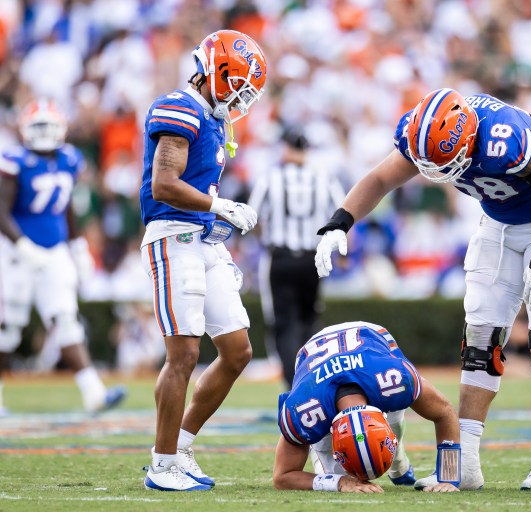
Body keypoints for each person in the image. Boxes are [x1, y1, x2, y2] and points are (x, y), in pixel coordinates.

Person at [315, 88, 531, 490]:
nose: (437, 173)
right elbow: (380, 177)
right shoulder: (421, 132)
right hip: (497, 223)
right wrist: (340, 221)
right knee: (480, 334)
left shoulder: (506, 137)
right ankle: (467, 461)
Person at [139, 29, 267, 492]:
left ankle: (183, 444)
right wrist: (221, 206)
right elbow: (164, 183)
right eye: (238, 86)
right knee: (184, 354)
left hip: (206, 242)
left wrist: (216, 219)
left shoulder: (213, 116)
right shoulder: (180, 105)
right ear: (218, 72)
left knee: (237, 351)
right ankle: (162, 463)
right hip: (173, 236)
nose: (239, 99)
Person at [0, 99, 126, 415]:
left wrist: (77, 245)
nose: (43, 133)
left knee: (66, 320)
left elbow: (66, 206)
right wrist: (23, 246)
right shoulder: (15, 161)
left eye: (48, 126)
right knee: (8, 326)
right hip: (14, 251)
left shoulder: (70, 159)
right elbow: (1, 211)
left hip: (54, 250)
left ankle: (94, 393)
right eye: (37, 126)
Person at [272, 320, 460, 493]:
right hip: (312, 356)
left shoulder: (393, 381)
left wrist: (449, 477)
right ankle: (325, 450)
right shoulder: (307, 410)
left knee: (397, 403)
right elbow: (282, 477)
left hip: (370, 337)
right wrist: (338, 482)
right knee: (336, 474)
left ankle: (398, 459)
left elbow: (444, 412)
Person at [248, 126, 346, 387]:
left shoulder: (271, 177)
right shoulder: (324, 178)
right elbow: (341, 214)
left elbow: (252, 217)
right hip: (312, 259)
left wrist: (264, 238)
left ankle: (294, 385)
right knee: (309, 319)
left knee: (282, 323)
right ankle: (314, 380)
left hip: (279, 257)